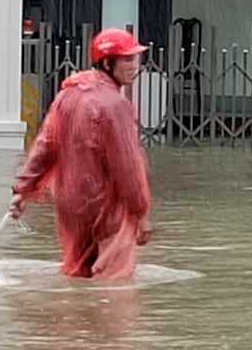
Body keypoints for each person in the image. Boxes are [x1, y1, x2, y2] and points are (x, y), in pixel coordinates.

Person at [10, 28, 153, 280]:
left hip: (71, 205)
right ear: (108, 62)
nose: (135, 66)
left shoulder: (67, 95)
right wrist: (140, 212)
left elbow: (44, 146)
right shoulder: (115, 104)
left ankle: (73, 319)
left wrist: (22, 189)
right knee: (114, 282)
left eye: (135, 59)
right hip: (106, 207)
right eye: (128, 59)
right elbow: (128, 168)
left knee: (78, 275)